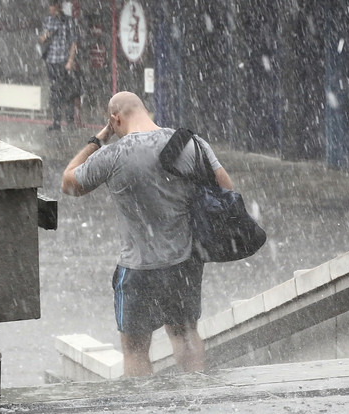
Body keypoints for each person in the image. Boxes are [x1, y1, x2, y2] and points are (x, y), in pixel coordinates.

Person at [61, 91, 233, 376]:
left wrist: (99, 139)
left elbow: (68, 181)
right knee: (185, 335)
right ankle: (196, 398)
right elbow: (226, 190)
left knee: (135, 350)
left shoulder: (113, 154)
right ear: (145, 111)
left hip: (137, 269)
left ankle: (142, 404)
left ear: (115, 119)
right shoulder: (190, 142)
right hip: (183, 263)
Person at [40, 0, 78, 132]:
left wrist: (70, 61)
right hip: (51, 61)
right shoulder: (48, 20)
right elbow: (42, 39)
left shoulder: (68, 21)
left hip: (63, 61)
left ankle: (70, 122)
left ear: (56, 6)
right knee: (55, 92)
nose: (49, 8)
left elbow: (74, 42)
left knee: (67, 92)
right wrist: (46, 36)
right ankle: (56, 122)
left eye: (51, 6)